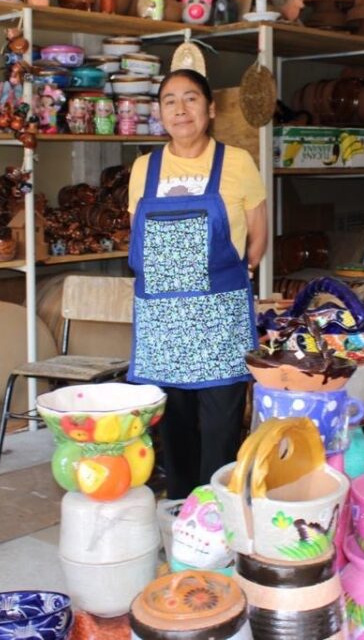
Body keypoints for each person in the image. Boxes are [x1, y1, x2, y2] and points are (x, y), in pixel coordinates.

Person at [126, 68, 268, 499]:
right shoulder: (144, 167)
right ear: (159, 112)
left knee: (222, 421)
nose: (180, 109)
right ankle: (181, 506)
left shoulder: (237, 162)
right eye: (169, 100)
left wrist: (238, 269)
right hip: (164, 319)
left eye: (190, 98)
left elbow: (258, 235)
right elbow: (139, 235)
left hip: (217, 316)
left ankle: (216, 509)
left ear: (210, 109)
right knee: (174, 423)